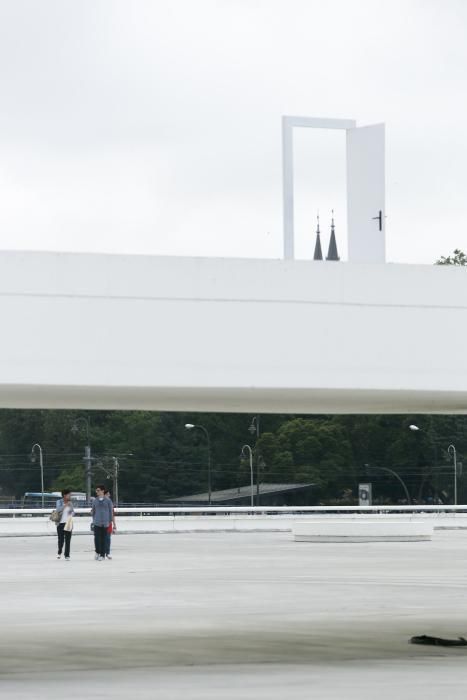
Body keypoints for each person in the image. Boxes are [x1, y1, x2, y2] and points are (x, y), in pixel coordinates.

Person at [91, 485, 113, 561]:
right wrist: (94, 520)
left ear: (103, 491)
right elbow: (93, 511)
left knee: (104, 539)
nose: (97, 492)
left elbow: (111, 511)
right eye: (96, 490)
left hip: (105, 523)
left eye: (98, 490)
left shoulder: (108, 500)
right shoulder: (95, 500)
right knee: (97, 539)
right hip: (97, 522)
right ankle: (97, 551)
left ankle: (102, 555)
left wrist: (110, 521)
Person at [56, 489, 75, 560]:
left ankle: (67, 555)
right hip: (60, 523)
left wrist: (72, 513)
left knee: (68, 540)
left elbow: (73, 512)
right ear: (64, 495)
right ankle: (59, 552)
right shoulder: (59, 502)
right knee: (60, 540)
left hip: (68, 523)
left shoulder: (71, 503)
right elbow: (58, 510)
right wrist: (66, 505)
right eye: (69, 495)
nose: (70, 496)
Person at [104, 489, 117, 560]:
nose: (109, 496)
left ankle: (107, 553)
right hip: (102, 523)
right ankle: (100, 552)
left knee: (108, 538)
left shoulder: (110, 503)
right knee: (101, 538)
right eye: (108, 494)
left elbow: (112, 515)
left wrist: (114, 525)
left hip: (108, 523)